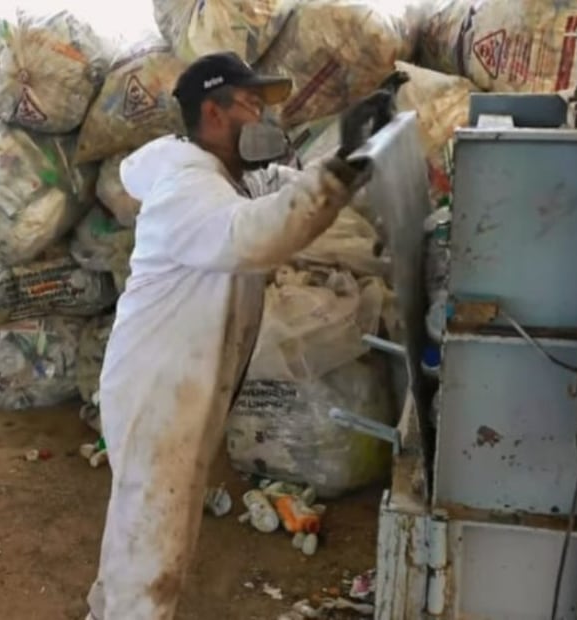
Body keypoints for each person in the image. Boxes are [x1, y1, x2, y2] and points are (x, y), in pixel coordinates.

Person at [85, 52, 401, 619]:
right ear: (212, 110)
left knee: (140, 520)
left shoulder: (231, 178)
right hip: (158, 393)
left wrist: (348, 149)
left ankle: (107, 609)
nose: (264, 117)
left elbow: (290, 190)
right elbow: (258, 235)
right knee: (155, 539)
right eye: (252, 104)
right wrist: (343, 169)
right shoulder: (187, 188)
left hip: (174, 385)